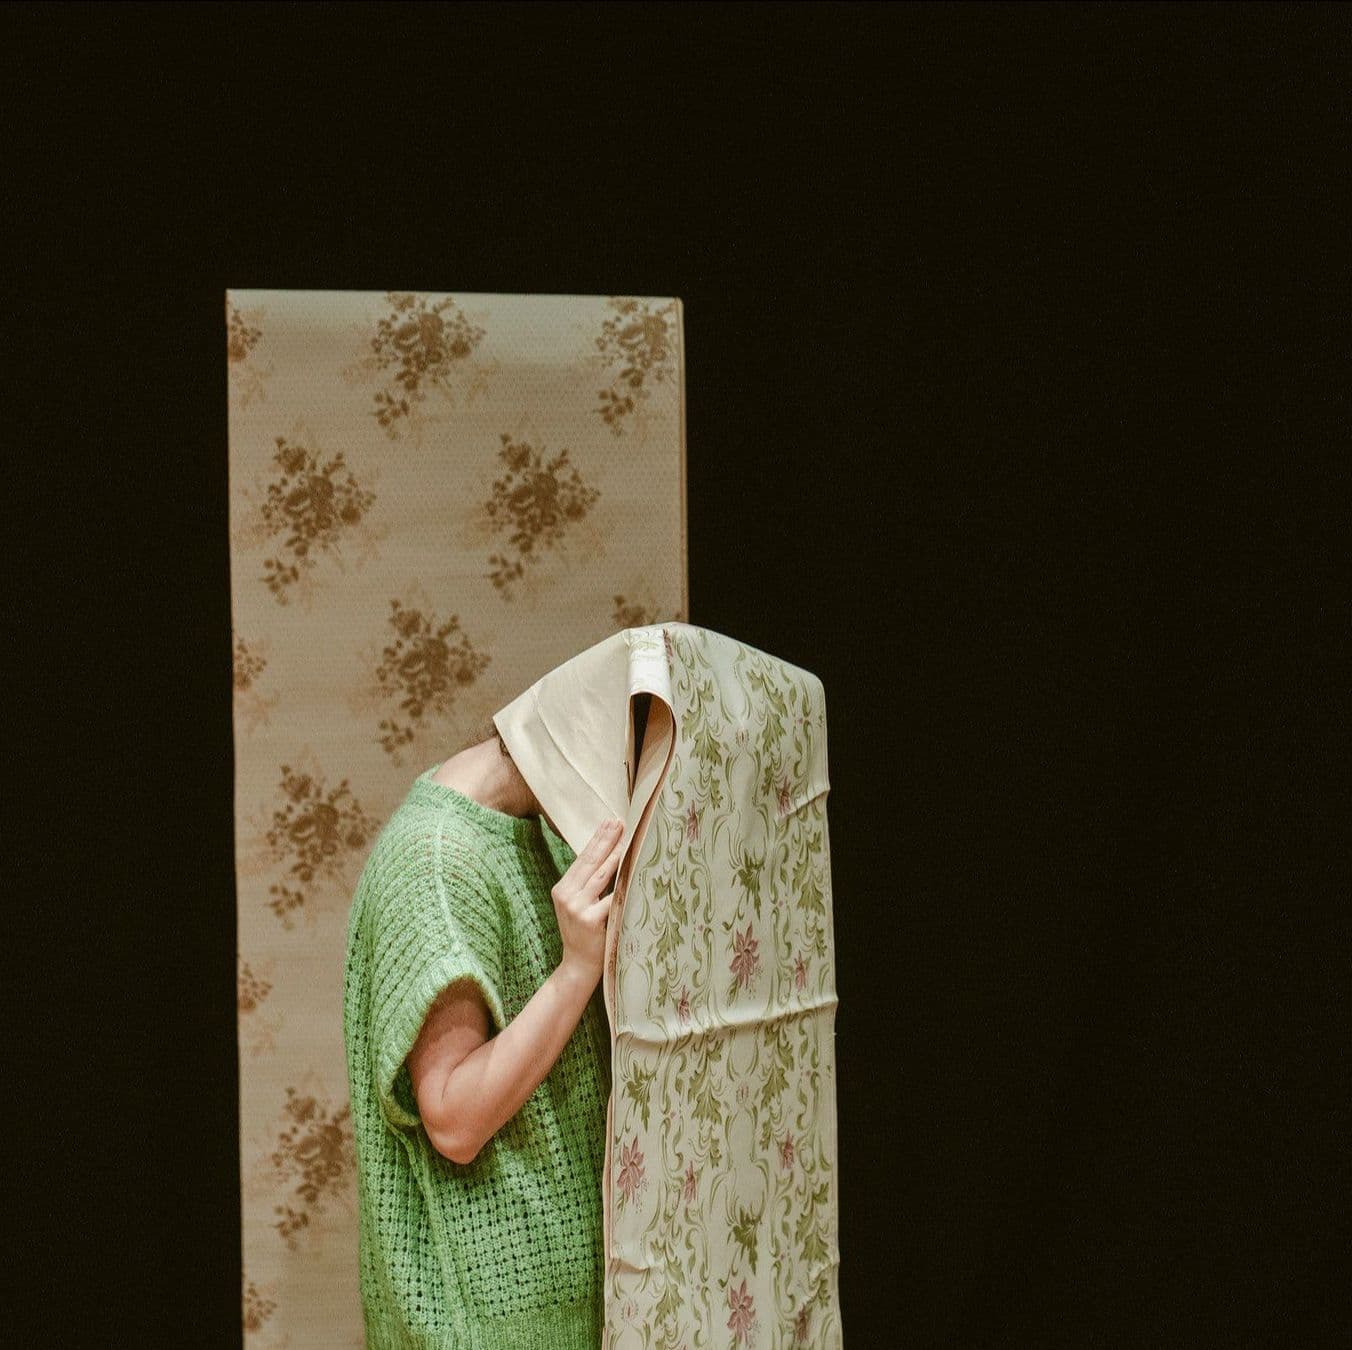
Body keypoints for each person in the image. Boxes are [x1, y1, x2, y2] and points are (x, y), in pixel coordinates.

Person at [342, 722, 624, 1349]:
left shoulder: (532, 835)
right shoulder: (434, 860)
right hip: (485, 1332)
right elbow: (453, 1118)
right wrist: (577, 970)